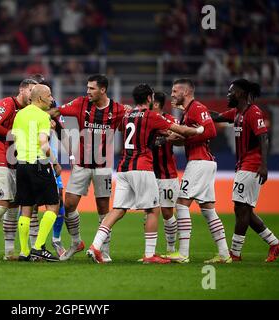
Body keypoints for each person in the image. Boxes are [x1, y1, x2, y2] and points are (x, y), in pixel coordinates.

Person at [87, 84, 204, 264]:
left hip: (123, 168)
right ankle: (150, 255)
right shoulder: (152, 116)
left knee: (118, 210)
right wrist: (199, 130)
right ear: (150, 98)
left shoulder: (126, 115)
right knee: (153, 210)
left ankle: (95, 246)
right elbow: (181, 130)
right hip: (142, 167)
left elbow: (123, 129)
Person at [48, 74, 126, 262]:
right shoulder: (81, 103)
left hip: (103, 166)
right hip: (81, 165)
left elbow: (132, 123)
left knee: (103, 209)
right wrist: (33, 117)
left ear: (103, 90)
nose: (88, 91)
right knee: (69, 205)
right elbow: (56, 112)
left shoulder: (118, 109)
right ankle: (76, 242)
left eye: (92, 88)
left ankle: (103, 249)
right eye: (87, 87)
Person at [211, 79, 279, 262]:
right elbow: (217, 116)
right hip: (243, 165)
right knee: (244, 209)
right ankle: (275, 243)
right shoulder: (236, 112)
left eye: (231, 91)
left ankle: (235, 253)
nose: (228, 94)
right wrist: (194, 110)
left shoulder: (253, 112)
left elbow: (263, 138)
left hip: (252, 165)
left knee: (241, 209)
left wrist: (264, 165)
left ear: (242, 93)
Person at [167, 78, 231, 264]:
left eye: (175, 91)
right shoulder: (188, 112)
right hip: (204, 162)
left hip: (199, 161)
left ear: (186, 92)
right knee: (208, 209)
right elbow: (192, 135)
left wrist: (185, 136)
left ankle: (183, 253)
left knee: (181, 203)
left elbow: (210, 131)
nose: (172, 94)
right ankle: (224, 254)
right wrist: (176, 137)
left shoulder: (197, 108)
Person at [0, 79, 37, 262]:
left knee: (12, 206)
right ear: (22, 90)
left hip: (13, 162)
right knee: (2, 204)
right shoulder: (7, 103)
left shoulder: (28, 110)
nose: (33, 94)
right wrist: (14, 135)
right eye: (31, 90)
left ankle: (9, 251)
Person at [12, 84, 61, 262]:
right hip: (39, 164)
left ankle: (24, 252)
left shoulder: (19, 114)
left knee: (26, 208)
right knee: (53, 206)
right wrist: (55, 162)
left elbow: (15, 139)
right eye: (49, 95)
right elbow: (43, 143)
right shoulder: (43, 116)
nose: (51, 98)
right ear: (40, 98)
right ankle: (38, 247)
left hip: (22, 165)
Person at [28, 73, 66, 257]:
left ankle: (55, 240)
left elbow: (61, 129)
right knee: (30, 205)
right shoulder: (25, 107)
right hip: (30, 158)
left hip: (48, 158)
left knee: (59, 200)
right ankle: (34, 245)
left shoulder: (52, 105)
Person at [151, 91, 180, 254]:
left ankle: (171, 249)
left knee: (167, 212)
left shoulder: (171, 120)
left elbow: (180, 136)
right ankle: (150, 252)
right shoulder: (146, 118)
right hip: (148, 174)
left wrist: (167, 137)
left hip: (167, 174)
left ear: (156, 104)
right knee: (150, 212)